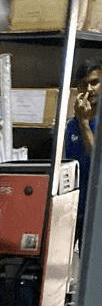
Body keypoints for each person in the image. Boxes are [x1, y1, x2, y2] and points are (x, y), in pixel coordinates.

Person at [65, 59, 101, 248]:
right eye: (83, 84)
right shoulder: (71, 126)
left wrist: (85, 124)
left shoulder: (87, 123)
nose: (89, 90)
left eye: (94, 83)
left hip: (96, 210)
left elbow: (98, 163)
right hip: (74, 209)